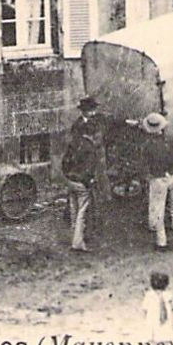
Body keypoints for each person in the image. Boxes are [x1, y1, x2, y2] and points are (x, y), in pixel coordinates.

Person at [60, 97, 109, 253]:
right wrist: (88, 179)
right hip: (85, 172)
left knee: (77, 207)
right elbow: (87, 160)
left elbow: (66, 160)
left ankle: (78, 235)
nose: (93, 112)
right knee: (83, 208)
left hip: (74, 174)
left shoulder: (89, 125)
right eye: (91, 109)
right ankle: (79, 240)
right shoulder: (82, 131)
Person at [139, 113, 173, 251]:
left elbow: (144, 166)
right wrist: (172, 171)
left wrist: (149, 176)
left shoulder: (147, 146)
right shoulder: (172, 140)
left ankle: (161, 242)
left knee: (159, 211)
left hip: (158, 179)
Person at [142, 271, 173, 342]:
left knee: (153, 340)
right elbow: (171, 307)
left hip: (152, 322)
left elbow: (145, 309)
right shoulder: (168, 295)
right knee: (165, 337)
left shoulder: (149, 295)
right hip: (164, 325)